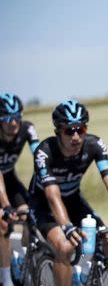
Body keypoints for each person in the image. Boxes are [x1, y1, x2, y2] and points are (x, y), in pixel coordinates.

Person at [28, 100, 108, 286]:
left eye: (80, 130)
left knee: (104, 238)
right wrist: (66, 226)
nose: (76, 136)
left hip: (73, 199)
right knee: (65, 247)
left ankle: (90, 278)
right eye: (69, 131)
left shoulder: (95, 145)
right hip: (43, 203)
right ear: (58, 131)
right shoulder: (44, 152)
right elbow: (52, 195)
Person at [0, 93, 39, 286]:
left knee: (28, 216)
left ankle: (21, 261)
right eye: (7, 118)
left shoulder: (27, 129)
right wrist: (6, 205)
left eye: (17, 117)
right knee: (4, 224)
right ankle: (6, 279)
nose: (13, 122)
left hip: (10, 178)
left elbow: (40, 158)